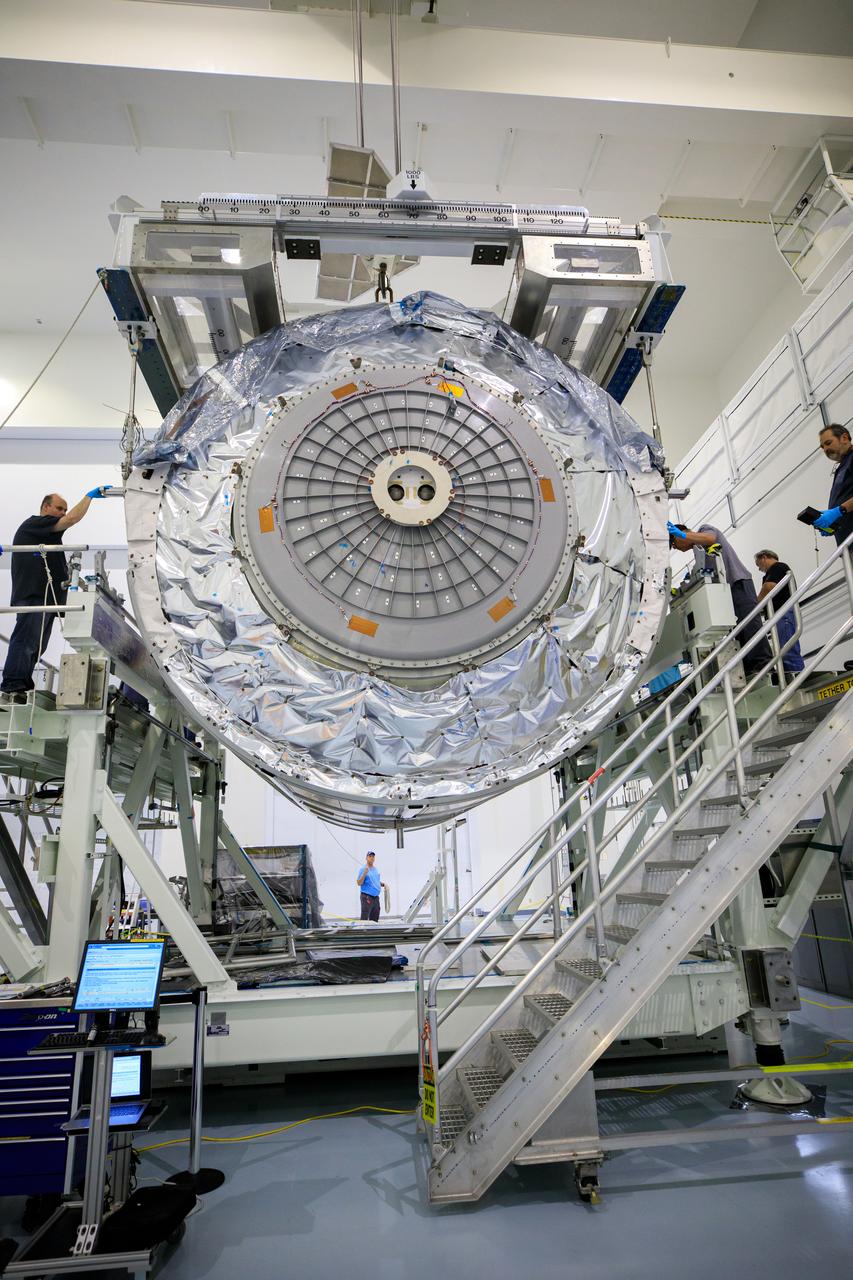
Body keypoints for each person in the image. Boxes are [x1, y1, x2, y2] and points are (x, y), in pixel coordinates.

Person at [1, 488, 112, 701]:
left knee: (36, 645)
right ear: (45, 507)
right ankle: (13, 684)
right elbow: (71, 520)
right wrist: (89, 497)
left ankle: (22, 684)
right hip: (34, 597)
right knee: (26, 640)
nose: (63, 513)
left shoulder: (49, 536)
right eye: (59, 508)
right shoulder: (35, 524)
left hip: (47, 600)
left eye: (64, 509)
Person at [667, 521, 773, 676]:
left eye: (674, 544)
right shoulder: (698, 552)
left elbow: (710, 538)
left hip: (738, 582)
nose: (677, 548)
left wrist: (682, 535)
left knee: (750, 624)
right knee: (738, 631)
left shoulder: (704, 530)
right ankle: (750, 668)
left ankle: (765, 665)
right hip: (725, 592)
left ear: (680, 535)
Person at [754, 549, 804, 675]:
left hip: (783, 612)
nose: (759, 569)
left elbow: (769, 586)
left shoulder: (777, 567)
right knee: (784, 649)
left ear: (764, 557)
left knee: (787, 648)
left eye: (758, 565)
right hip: (782, 613)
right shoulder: (778, 570)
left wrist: (756, 603)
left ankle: (796, 675)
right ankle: (791, 675)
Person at [813, 423, 853, 547]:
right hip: (847, 544)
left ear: (844, 438)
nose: (825, 449)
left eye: (828, 443)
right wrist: (834, 522)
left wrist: (839, 511)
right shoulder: (843, 466)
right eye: (822, 447)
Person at [356, 851, 386, 923]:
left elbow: (375, 881)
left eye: (373, 856)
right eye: (370, 856)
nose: (372, 858)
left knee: (375, 917)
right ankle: (363, 929)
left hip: (375, 898)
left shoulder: (375, 869)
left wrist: (383, 884)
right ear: (366, 858)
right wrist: (364, 874)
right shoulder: (363, 869)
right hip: (367, 897)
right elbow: (359, 883)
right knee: (365, 917)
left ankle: (373, 929)